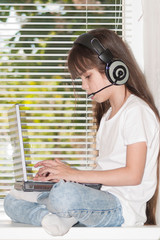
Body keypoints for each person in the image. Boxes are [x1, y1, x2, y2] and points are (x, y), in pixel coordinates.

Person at [4, 28, 160, 236]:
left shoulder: (136, 112)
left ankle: (61, 210)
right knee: (12, 199)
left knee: (64, 195)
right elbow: (104, 173)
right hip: (98, 199)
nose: (85, 86)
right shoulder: (107, 117)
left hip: (120, 208)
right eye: (80, 79)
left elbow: (133, 175)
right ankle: (52, 218)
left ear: (115, 69)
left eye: (87, 76)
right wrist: (64, 173)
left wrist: (73, 176)